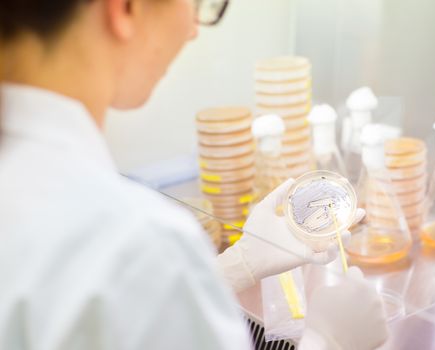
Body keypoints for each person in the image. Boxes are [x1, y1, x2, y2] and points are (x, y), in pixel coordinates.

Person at [0, 0, 388, 349]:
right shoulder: (139, 240)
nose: (192, 29)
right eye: (199, 3)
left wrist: (240, 263)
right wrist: (328, 341)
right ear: (124, 8)